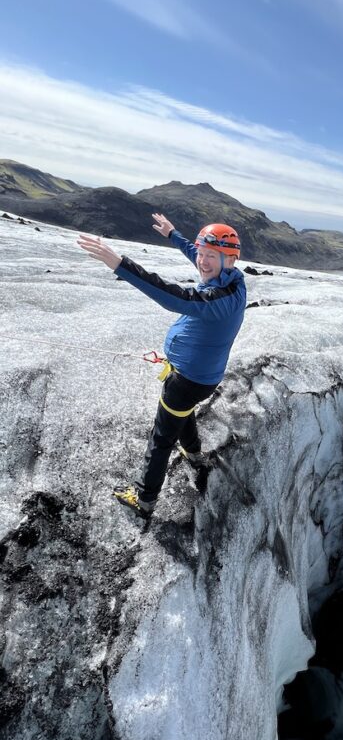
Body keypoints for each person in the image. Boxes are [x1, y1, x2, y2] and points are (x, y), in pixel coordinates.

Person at [78, 212, 246, 516]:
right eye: (204, 253)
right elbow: (196, 253)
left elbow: (174, 297)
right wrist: (172, 234)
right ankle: (193, 453)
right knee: (184, 413)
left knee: (161, 437)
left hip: (187, 381)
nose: (203, 261)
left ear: (230, 260)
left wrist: (121, 265)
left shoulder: (219, 298)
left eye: (213, 256)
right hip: (199, 378)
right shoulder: (231, 281)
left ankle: (144, 498)